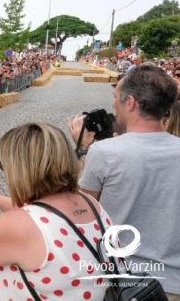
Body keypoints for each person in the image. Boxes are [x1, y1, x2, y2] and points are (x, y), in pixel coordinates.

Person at [0, 123, 111, 301]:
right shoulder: (90, 203)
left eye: (3, 165)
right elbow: (43, 215)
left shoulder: (21, 226)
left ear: (20, 169)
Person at [69, 65, 180, 298]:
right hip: (173, 283)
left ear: (130, 102)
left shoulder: (103, 152)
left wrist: (83, 149)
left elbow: (82, 211)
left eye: (115, 97)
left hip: (122, 283)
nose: (113, 105)